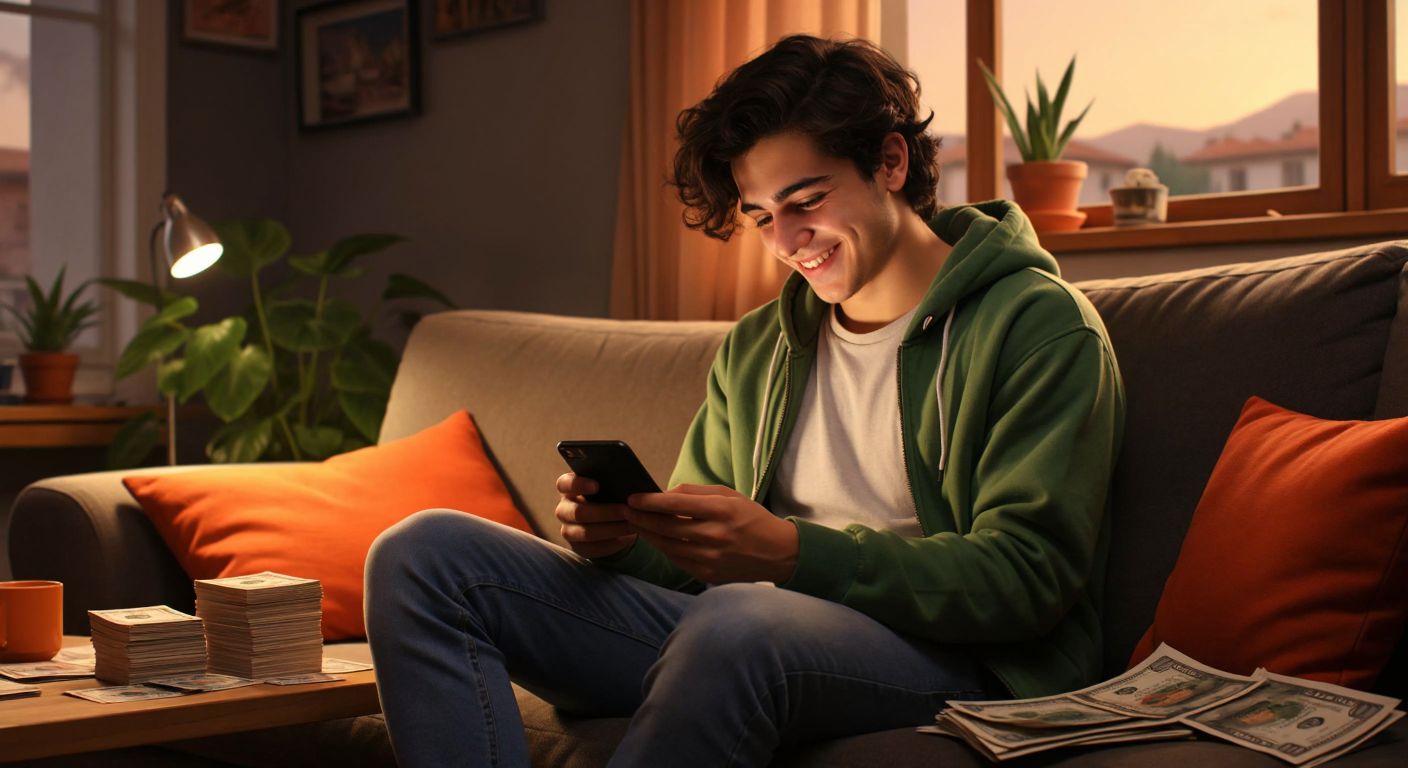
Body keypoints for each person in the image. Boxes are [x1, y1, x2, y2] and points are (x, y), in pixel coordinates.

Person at [364, 33, 1125, 767]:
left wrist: (794, 556)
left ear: (890, 161)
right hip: (738, 637)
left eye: (806, 200)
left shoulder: (1037, 326)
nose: (789, 241)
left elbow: (1030, 577)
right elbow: (700, 569)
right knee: (423, 554)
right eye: (761, 217)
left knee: (740, 622)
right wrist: (627, 539)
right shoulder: (762, 344)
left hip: (957, 664)